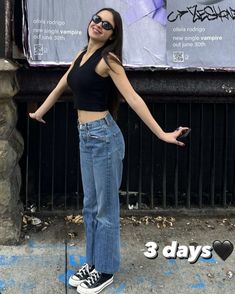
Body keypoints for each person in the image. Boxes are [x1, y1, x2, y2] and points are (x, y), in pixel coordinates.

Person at [29, 7, 189, 294]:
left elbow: (134, 98)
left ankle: (105, 270)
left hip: (104, 138)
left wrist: (163, 134)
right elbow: (62, 85)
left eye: (107, 24)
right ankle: (93, 262)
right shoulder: (81, 56)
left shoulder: (108, 60)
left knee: (105, 209)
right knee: (90, 206)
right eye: (97, 19)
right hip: (86, 136)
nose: (99, 25)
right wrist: (39, 112)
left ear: (113, 34)